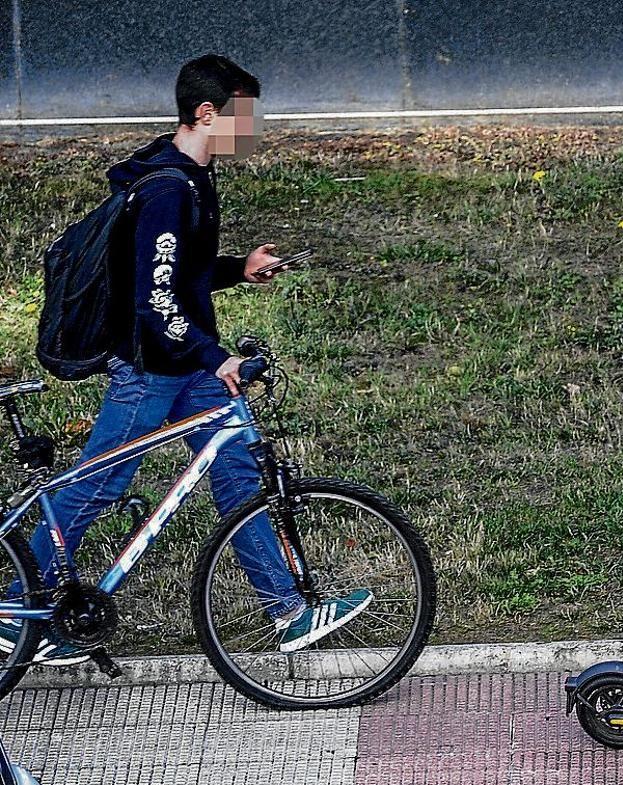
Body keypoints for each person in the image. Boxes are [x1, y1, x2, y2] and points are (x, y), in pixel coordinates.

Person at [1, 55, 372, 665]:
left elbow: (182, 275)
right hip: (151, 367)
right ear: (207, 114)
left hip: (190, 363)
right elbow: (155, 298)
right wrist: (214, 354)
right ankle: (20, 615)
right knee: (98, 484)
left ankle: (287, 608)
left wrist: (237, 270)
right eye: (245, 119)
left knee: (236, 477)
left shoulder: (194, 179)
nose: (253, 132)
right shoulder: (169, 190)